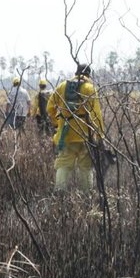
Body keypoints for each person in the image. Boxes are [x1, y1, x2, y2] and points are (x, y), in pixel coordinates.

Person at [46, 64, 104, 194]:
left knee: (63, 164)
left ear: (76, 72)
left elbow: (49, 108)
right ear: (88, 75)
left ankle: (59, 192)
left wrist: (57, 124)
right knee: (85, 167)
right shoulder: (90, 88)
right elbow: (96, 114)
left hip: (65, 135)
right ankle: (86, 195)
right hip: (85, 135)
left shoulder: (62, 86)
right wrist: (100, 136)